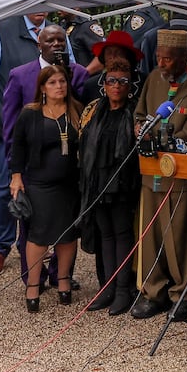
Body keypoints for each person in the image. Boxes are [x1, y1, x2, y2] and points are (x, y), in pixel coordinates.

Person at [131, 28, 187, 321]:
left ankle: (182, 294)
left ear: (183, 58)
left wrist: (164, 141)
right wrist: (141, 131)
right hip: (150, 169)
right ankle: (153, 291)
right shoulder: (153, 78)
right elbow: (140, 114)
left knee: (178, 235)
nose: (162, 64)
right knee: (150, 233)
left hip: (178, 172)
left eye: (168, 59)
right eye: (159, 57)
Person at [8, 65, 84, 312]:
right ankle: (33, 283)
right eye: (52, 83)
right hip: (39, 183)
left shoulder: (76, 110)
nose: (58, 86)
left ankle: (63, 280)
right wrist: (16, 177)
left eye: (62, 81)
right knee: (39, 233)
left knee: (67, 233)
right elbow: (17, 147)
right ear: (42, 87)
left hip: (70, 184)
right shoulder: (30, 113)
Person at [0, 11, 53, 278]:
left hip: (50, 128)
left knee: (46, 186)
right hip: (9, 126)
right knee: (5, 184)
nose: (40, 9)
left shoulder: (57, 33)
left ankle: (39, 243)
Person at [78, 37, 143, 315]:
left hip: (122, 184)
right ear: (104, 84)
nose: (116, 86)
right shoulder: (96, 111)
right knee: (104, 234)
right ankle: (106, 287)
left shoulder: (135, 112)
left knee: (121, 234)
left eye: (122, 82)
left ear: (130, 85)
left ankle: (123, 290)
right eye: (112, 81)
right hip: (97, 182)